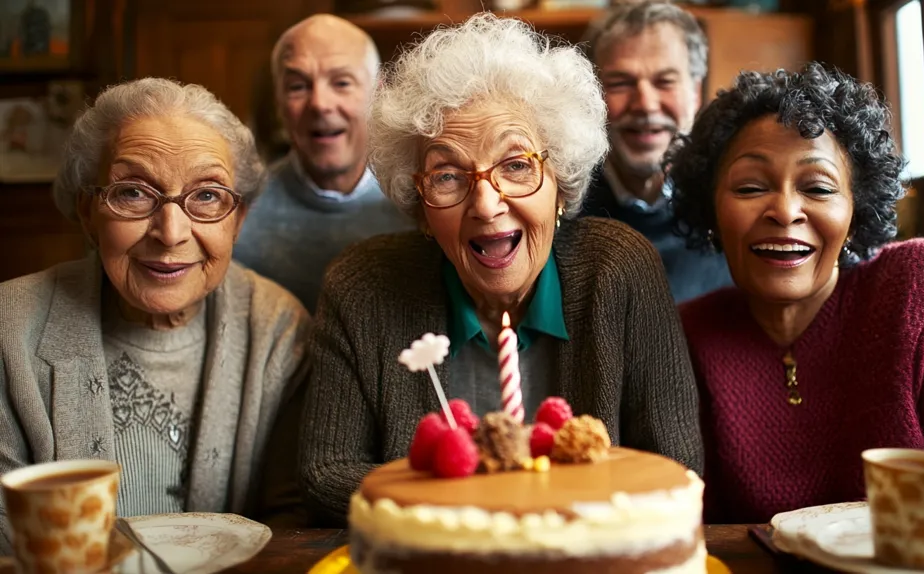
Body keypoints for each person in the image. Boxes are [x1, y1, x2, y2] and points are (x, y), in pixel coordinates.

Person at [299, 13, 702, 526]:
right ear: (421, 206)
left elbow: (674, 471)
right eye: (447, 175)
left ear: (561, 179)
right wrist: (490, 499)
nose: (487, 204)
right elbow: (325, 475)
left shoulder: (620, 270)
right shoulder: (363, 287)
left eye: (516, 165)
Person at [672, 62, 924, 523]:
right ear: (712, 212)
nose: (785, 210)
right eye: (751, 187)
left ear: (855, 213)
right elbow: (688, 527)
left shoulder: (917, 284)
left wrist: (844, 539)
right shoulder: (688, 332)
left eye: (817, 187)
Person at [0, 78, 311, 552]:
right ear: (89, 210)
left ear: (238, 219)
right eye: (133, 193)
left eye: (208, 196)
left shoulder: (277, 329)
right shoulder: (9, 328)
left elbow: (292, 523)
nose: (171, 232)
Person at [233, 14, 412, 312]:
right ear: (278, 100)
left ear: (377, 91)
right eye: (297, 86)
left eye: (341, 83)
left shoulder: (419, 207)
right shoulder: (241, 215)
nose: (319, 103)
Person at [580, 1, 732, 302]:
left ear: (695, 93)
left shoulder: (731, 208)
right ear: (591, 95)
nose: (646, 104)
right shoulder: (558, 211)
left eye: (665, 82)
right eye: (621, 83)